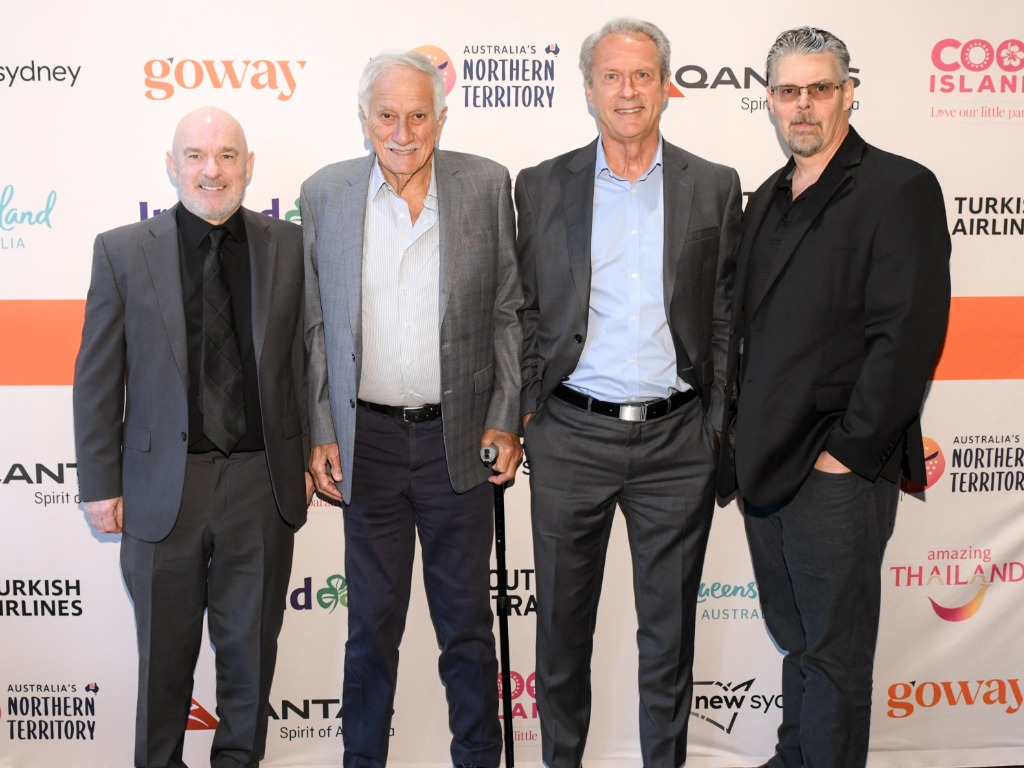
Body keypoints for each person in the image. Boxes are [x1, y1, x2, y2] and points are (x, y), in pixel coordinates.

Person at [718, 27, 951, 768]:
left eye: (820, 88)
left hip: (836, 469)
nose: (804, 105)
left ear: (849, 92)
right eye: (789, 91)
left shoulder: (898, 188)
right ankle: (795, 756)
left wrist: (846, 455)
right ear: (769, 99)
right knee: (799, 641)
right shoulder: (766, 197)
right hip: (765, 464)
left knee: (835, 655)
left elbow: (907, 338)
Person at [515, 18, 741, 768]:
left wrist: (715, 421)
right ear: (588, 89)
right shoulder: (540, 185)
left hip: (679, 444)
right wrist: (529, 412)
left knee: (669, 640)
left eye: (643, 75)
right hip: (570, 437)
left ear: (665, 86)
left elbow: (725, 314)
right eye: (611, 76)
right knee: (561, 635)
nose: (627, 91)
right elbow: (522, 309)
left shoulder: (713, 185)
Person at [302, 51, 522, 768]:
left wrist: (505, 415)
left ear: (441, 117)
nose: (403, 132)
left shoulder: (485, 184)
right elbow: (315, 326)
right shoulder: (326, 193)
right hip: (366, 445)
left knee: (467, 628)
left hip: (457, 441)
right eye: (388, 115)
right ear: (364, 119)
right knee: (370, 629)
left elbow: (508, 310)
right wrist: (322, 429)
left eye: (419, 115)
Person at [73, 106, 312, 768]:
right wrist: (100, 484)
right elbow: (97, 379)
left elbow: (307, 364)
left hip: (260, 484)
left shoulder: (291, 247)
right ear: (171, 165)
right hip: (159, 492)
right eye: (196, 155)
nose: (212, 170)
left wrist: (313, 451)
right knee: (163, 663)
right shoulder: (122, 251)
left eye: (227, 155)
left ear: (249, 165)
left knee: (250, 662)